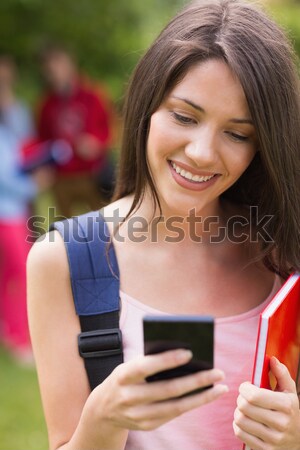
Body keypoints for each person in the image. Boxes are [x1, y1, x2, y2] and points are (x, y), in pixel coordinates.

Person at [27, 0, 300, 449]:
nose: (202, 153)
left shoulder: (283, 259)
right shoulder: (64, 261)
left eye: (237, 133)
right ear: (146, 108)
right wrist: (103, 418)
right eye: (184, 116)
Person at [0, 55, 53, 363]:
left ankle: (11, 331)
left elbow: (24, 152)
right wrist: (35, 185)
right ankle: (20, 340)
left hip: (15, 208)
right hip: (6, 211)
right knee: (21, 272)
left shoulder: (15, 114)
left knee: (12, 272)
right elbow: (5, 174)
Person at [36, 45, 114, 217]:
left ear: (70, 64)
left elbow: (108, 129)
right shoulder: (46, 104)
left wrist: (96, 143)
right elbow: (42, 138)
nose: (55, 72)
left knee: (101, 224)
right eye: (50, 68)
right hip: (61, 177)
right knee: (67, 230)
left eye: (59, 65)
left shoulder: (93, 95)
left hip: (91, 175)